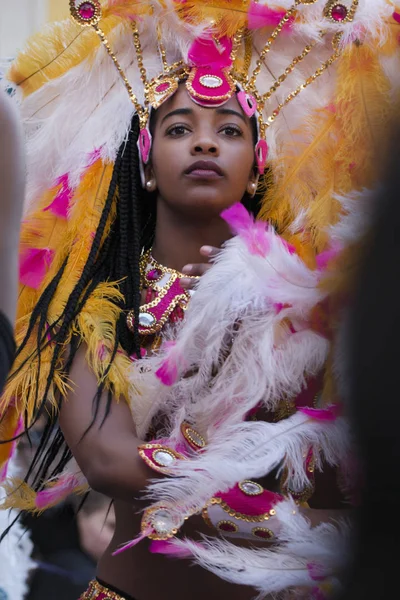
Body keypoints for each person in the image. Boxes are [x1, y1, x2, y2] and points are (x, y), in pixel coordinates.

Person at [0, 1, 399, 599]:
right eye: (180, 128)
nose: (205, 144)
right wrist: (272, 514)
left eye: (230, 130)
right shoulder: (95, 305)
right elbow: (110, 462)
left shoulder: (307, 303)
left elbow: (340, 475)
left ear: (258, 164)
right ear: (147, 164)